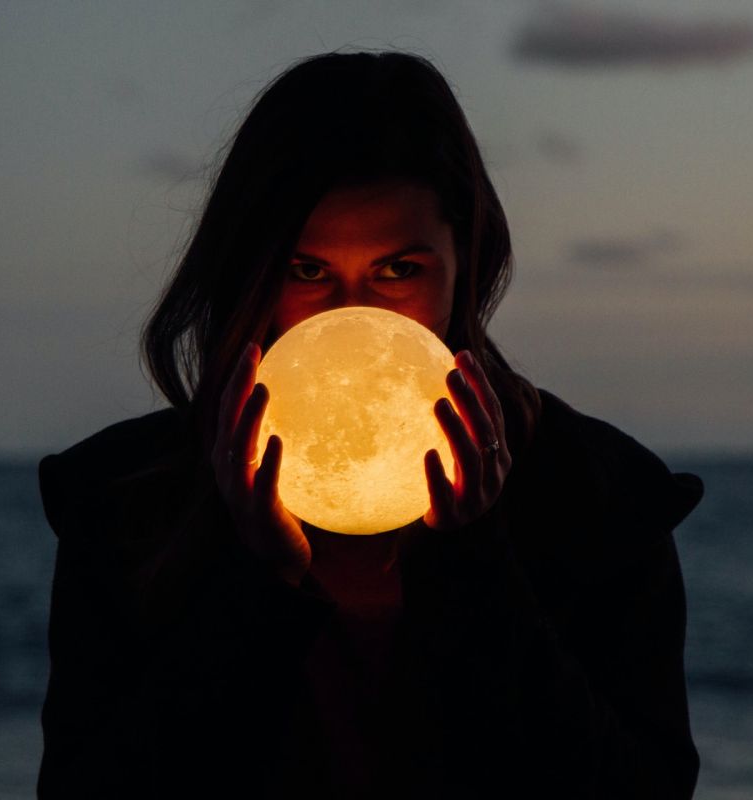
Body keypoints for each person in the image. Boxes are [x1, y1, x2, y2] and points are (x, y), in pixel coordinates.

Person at [35, 50, 703, 798]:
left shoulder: (599, 498)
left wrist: (474, 560)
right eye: (308, 271)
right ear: (249, 271)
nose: (353, 321)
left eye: (399, 272)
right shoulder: (126, 503)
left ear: (466, 266)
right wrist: (258, 586)